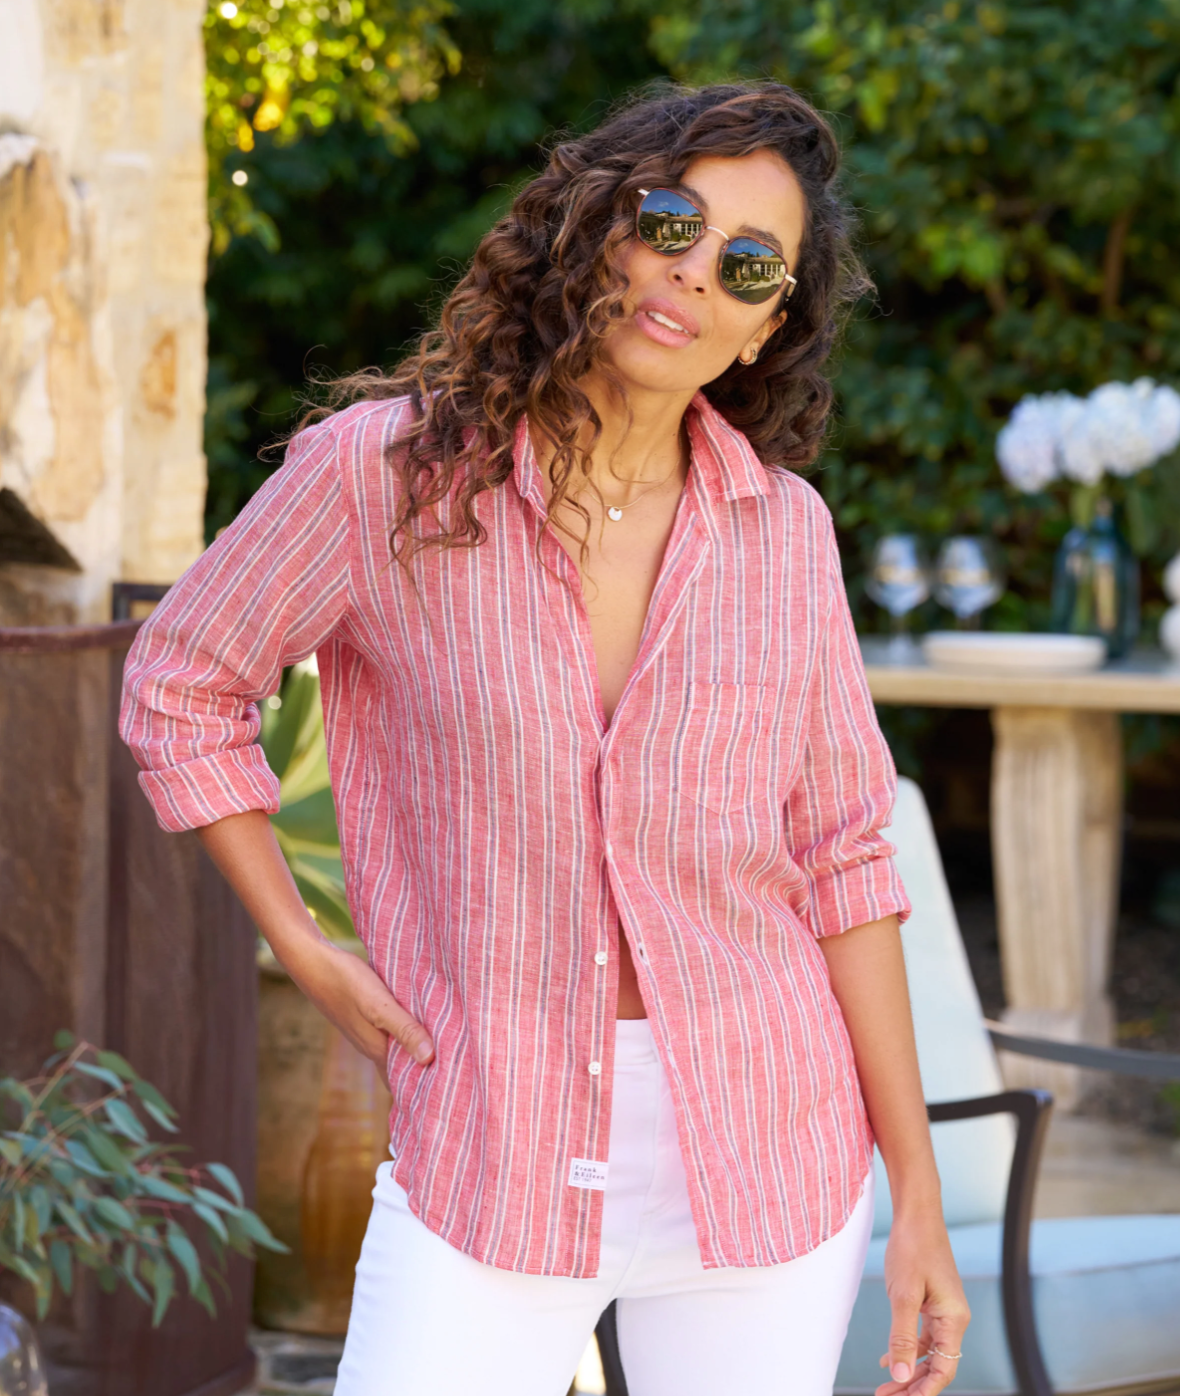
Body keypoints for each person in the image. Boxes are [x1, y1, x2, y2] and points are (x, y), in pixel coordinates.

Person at [121, 81, 969, 1396]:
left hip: (769, 1159)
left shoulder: (782, 534)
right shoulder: (385, 475)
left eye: (749, 266)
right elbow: (183, 679)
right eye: (671, 219)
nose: (693, 273)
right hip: (493, 1138)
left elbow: (845, 855)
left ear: (763, 331)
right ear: (602, 222)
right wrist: (300, 939)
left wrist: (917, 1195)